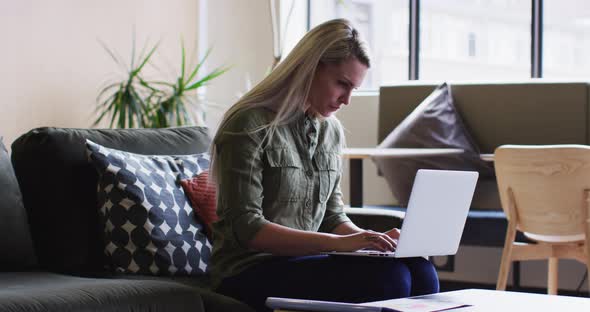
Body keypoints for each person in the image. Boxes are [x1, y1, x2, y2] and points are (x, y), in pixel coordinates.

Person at [209, 18, 439, 311]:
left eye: (354, 88)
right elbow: (248, 228)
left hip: (305, 263)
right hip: (248, 271)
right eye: (342, 84)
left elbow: (332, 216)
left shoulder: (331, 131)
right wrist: (337, 244)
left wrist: (370, 243)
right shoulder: (248, 124)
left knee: (421, 270)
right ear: (310, 67)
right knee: (390, 279)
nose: (346, 100)